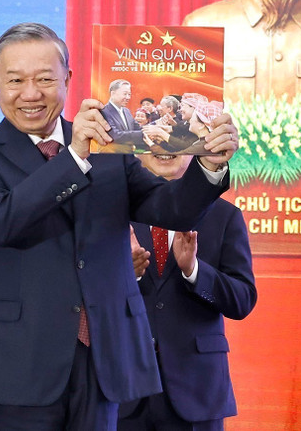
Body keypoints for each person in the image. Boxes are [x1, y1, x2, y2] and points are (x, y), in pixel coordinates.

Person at [0, 22, 240, 430]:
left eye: (45, 79)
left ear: (67, 80)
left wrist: (208, 165)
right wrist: (74, 158)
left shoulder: (111, 145)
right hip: (19, 366)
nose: (31, 94)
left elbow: (171, 209)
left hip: (104, 359)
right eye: (16, 80)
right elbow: (1, 223)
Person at [119, 150, 257, 431]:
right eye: (155, 138)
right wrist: (124, 277)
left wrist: (194, 271)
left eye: (177, 138)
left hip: (197, 391)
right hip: (124, 387)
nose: (165, 148)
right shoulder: (113, 213)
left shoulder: (224, 215)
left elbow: (242, 300)